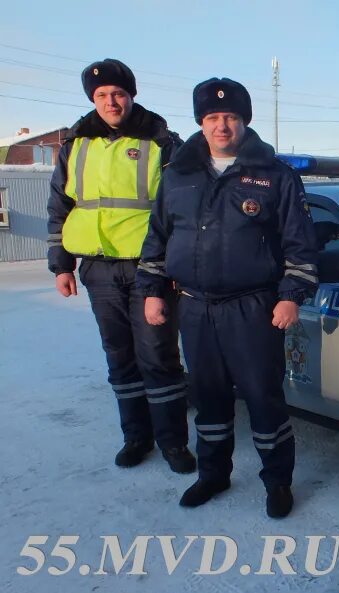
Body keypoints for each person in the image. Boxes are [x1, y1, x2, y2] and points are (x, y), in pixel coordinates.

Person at [136, 77, 318, 518]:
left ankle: (277, 482)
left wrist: (291, 295)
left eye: (231, 117)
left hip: (253, 307)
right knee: (209, 397)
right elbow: (158, 238)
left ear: (244, 121)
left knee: (262, 396)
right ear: (200, 122)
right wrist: (152, 291)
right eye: (213, 118)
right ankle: (213, 474)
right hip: (194, 306)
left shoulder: (275, 176)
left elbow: (301, 246)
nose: (222, 126)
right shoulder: (177, 175)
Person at [47, 58, 195, 473]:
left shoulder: (161, 142)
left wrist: (169, 268)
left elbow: (178, 211)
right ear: (92, 100)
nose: (111, 101)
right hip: (97, 268)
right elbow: (60, 206)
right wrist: (60, 265)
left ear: (131, 95)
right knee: (119, 356)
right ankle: (136, 437)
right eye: (101, 95)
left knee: (158, 355)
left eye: (118, 93)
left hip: (149, 271)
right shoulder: (75, 146)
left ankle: (173, 444)